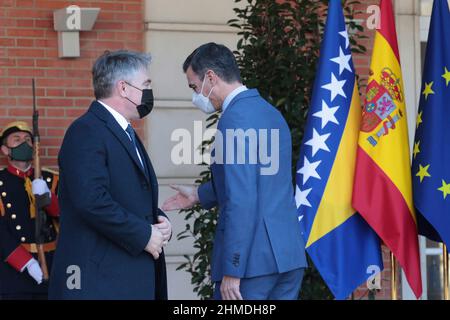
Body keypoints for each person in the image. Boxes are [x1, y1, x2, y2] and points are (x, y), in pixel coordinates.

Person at [162, 42, 307, 300]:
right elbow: (261, 180)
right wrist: (198, 194)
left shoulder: (233, 120)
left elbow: (243, 198)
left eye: (194, 87)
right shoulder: (271, 112)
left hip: (253, 266)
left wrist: (233, 268)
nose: (195, 95)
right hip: (288, 258)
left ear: (211, 77)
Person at [48, 50, 171, 300]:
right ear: (123, 88)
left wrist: (158, 220)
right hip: (100, 282)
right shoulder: (86, 131)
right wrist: (144, 234)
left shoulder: (124, 131)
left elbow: (127, 194)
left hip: (125, 278)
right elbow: (91, 201)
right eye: (146, 84)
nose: (149, 90)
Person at [0, 121, 60, 300]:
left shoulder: (51, 179)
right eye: (16, 139)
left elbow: (66, 217)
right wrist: (24, 262)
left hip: (52, 265)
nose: (24, 144)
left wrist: (48, 198)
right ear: (5, 150)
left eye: (28, 139)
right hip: (14, 271)